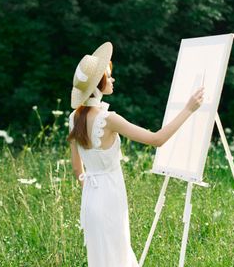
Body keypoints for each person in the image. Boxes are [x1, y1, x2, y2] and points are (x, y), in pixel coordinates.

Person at [67, 42, 204, 267]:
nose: (112, 80)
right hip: (110, 196)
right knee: (117, 257)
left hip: (91, 198)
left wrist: (91, 188)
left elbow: (76, 168)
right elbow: (156, 139)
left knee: (102, 259)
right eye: (108, 77)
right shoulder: (109, 119)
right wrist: (188, 109)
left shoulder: (74, 118)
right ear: (98, 85)